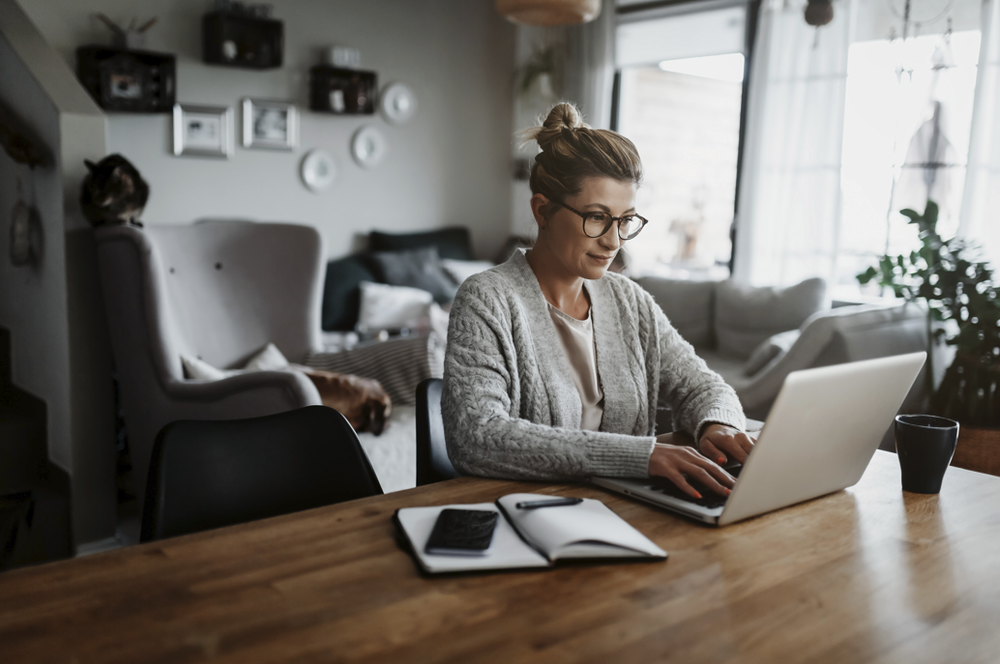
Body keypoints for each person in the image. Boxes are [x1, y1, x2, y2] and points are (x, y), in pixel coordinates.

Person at [441, 103, 754, 499]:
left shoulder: (629, 300)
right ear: (543, 210)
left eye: (625, 220)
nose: (613, 240)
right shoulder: (487, 300)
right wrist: (642, 456)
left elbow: (703, 387)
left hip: (628, 509)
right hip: (527, 515)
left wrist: (718, 424)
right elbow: (478, 436)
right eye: (597, 217)